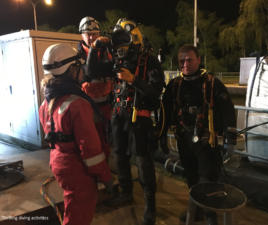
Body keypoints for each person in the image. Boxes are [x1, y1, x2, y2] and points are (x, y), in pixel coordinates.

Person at [86, 18, 164, 225]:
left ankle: (150, 206)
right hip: (119, 117)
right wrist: (95, 48)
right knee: (120, 158)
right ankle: (126, 194)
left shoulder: (149, 61)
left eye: (123, 40)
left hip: (141, 120)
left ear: (134, 39)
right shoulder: (117, 63)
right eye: (117, 42)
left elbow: (156, 92)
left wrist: (133, 80)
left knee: (143, 163)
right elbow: (91, 72)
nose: (120, 48)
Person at [159, 44, 236, 225]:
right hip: (184, 142)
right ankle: (197, 212)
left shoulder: (211, 83)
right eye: (181, 61)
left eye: (189, 60)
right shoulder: (174, 85)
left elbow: (228, 111)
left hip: (206, 143)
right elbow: (164, 111)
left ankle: (210, 218)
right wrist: (161, 134)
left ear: (199, 60)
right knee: (192, 179)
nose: (185, 64)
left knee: (206, 182)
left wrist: (229, 140)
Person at [39, 43, 113, 225]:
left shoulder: (47, 103)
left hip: (59, 163)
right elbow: (91, 151)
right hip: (77, 171)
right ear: (72, 71)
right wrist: (106, 177)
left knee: (72, 207)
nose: (82, 71)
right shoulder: (77, 104)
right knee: (78, 217)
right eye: (79, 67)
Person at [78, 16, 114, 148]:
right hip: (87, 105)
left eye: (94, 34)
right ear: (82, 36)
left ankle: (104, 163)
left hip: (106, 104)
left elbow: (113, 68)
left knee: (106, 139)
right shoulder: (78, 54)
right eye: (88, 34)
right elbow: (89, 72)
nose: (92, 37)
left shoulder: (106, 51)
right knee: (90, 138)